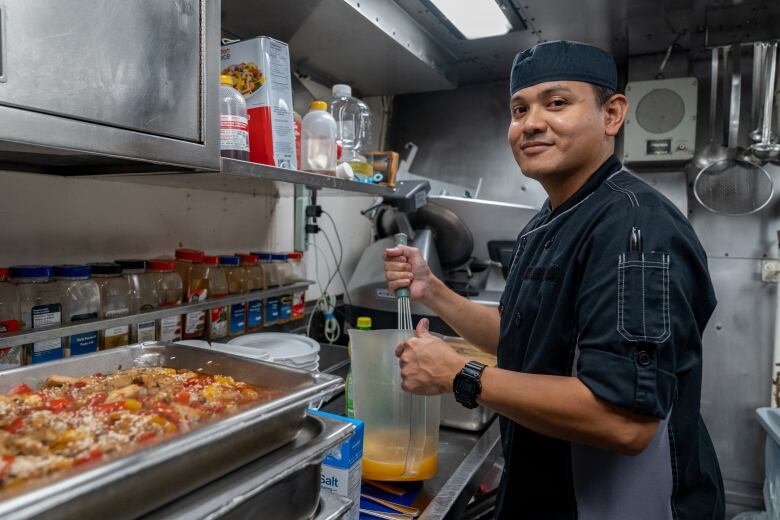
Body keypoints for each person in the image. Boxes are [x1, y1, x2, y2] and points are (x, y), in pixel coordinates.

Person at [384, 40, 725, 519]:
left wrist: (458, 374)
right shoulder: (550, 221)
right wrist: (433, 291)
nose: (531, 123)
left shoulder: (635, 228)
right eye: (519, 109)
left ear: (612, 114)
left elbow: (623, 421)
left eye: (557, 103)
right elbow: (524, 341)